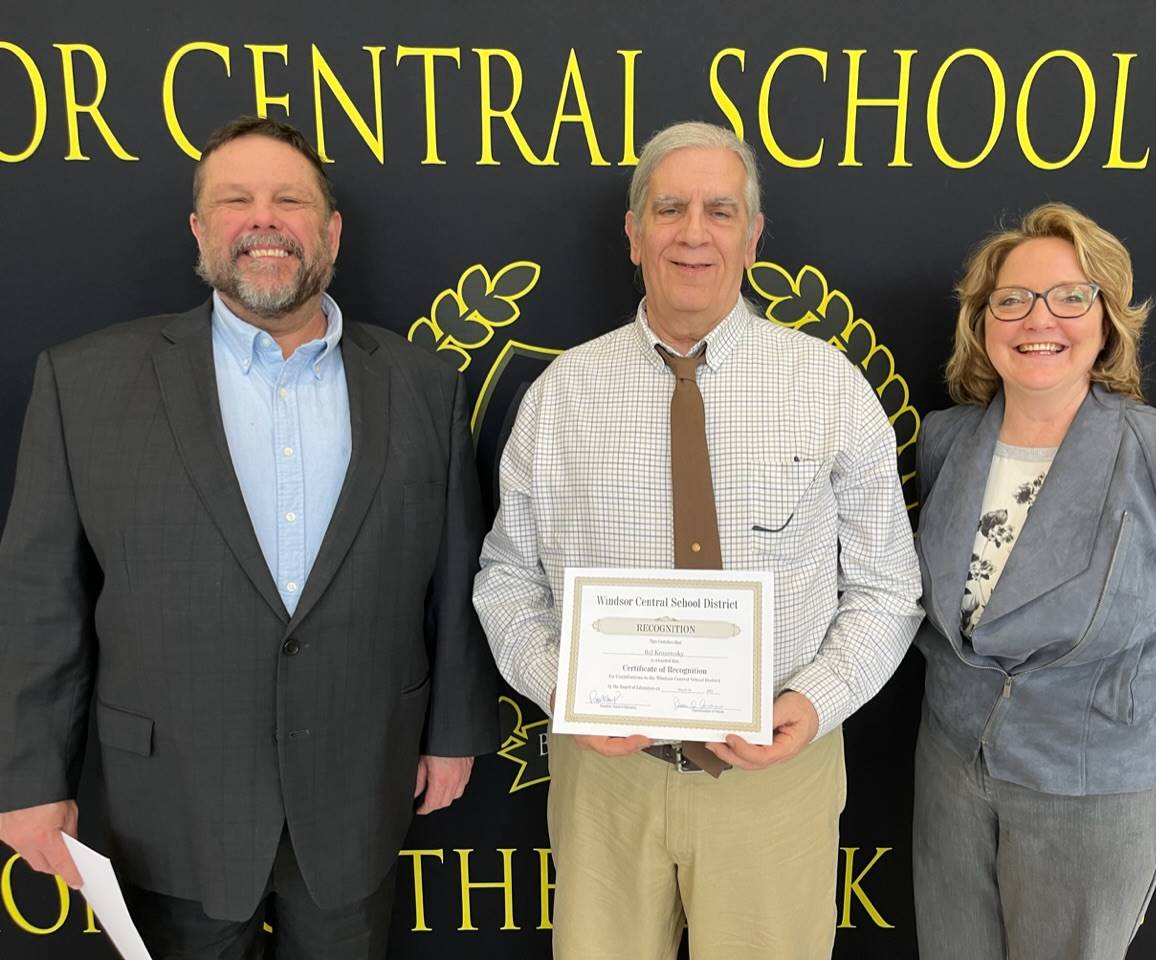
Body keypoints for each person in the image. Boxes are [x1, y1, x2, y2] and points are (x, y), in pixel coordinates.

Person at [0, 116, 499, 958]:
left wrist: (453, 730)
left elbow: (455, 575)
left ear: (330, 232)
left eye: (289, 200)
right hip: (170, 808)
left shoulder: (422, 383)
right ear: (200, 231)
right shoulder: (84, 383)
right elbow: (39, 598)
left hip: (358, 792)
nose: (263, 219)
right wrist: (28, 779)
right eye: (235, 200)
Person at [473, 121, 923, 959]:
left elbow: (887, 590)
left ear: (753, 237)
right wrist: (565, 691)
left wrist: (813, 703)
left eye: (720, 210)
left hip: (776, 779)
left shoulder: (828, 388)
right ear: (634, 233)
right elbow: (507, 581)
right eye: (669, 208)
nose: (693, 232)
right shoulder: (561, 395)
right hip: (604, 782)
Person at [912, 202, 1156, 960]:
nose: (1038, 318)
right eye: (1011, 299)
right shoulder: (945, 442)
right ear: (983, 321)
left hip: (1092, 791)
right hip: (949, 776)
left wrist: (1121, 717)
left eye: (1070, 296)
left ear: (1108, 318)